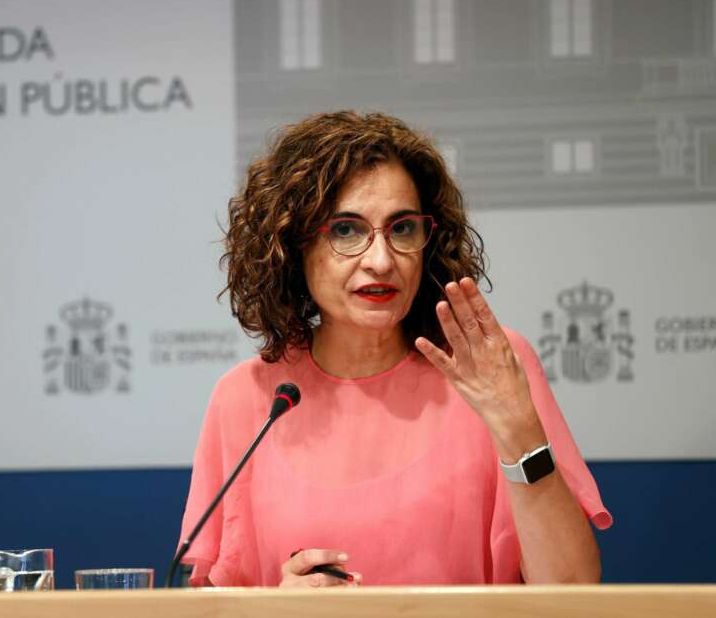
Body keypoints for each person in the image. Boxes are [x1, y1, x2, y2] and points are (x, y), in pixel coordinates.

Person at [178, 111, 611, 588]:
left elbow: (573, 591)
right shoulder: (248, 398)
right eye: (346, 230)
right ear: (291, 244)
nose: (381, 260)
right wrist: (277, 606)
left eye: (402, 228)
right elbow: (217, 604)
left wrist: (519, 431)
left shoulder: (488, 363)